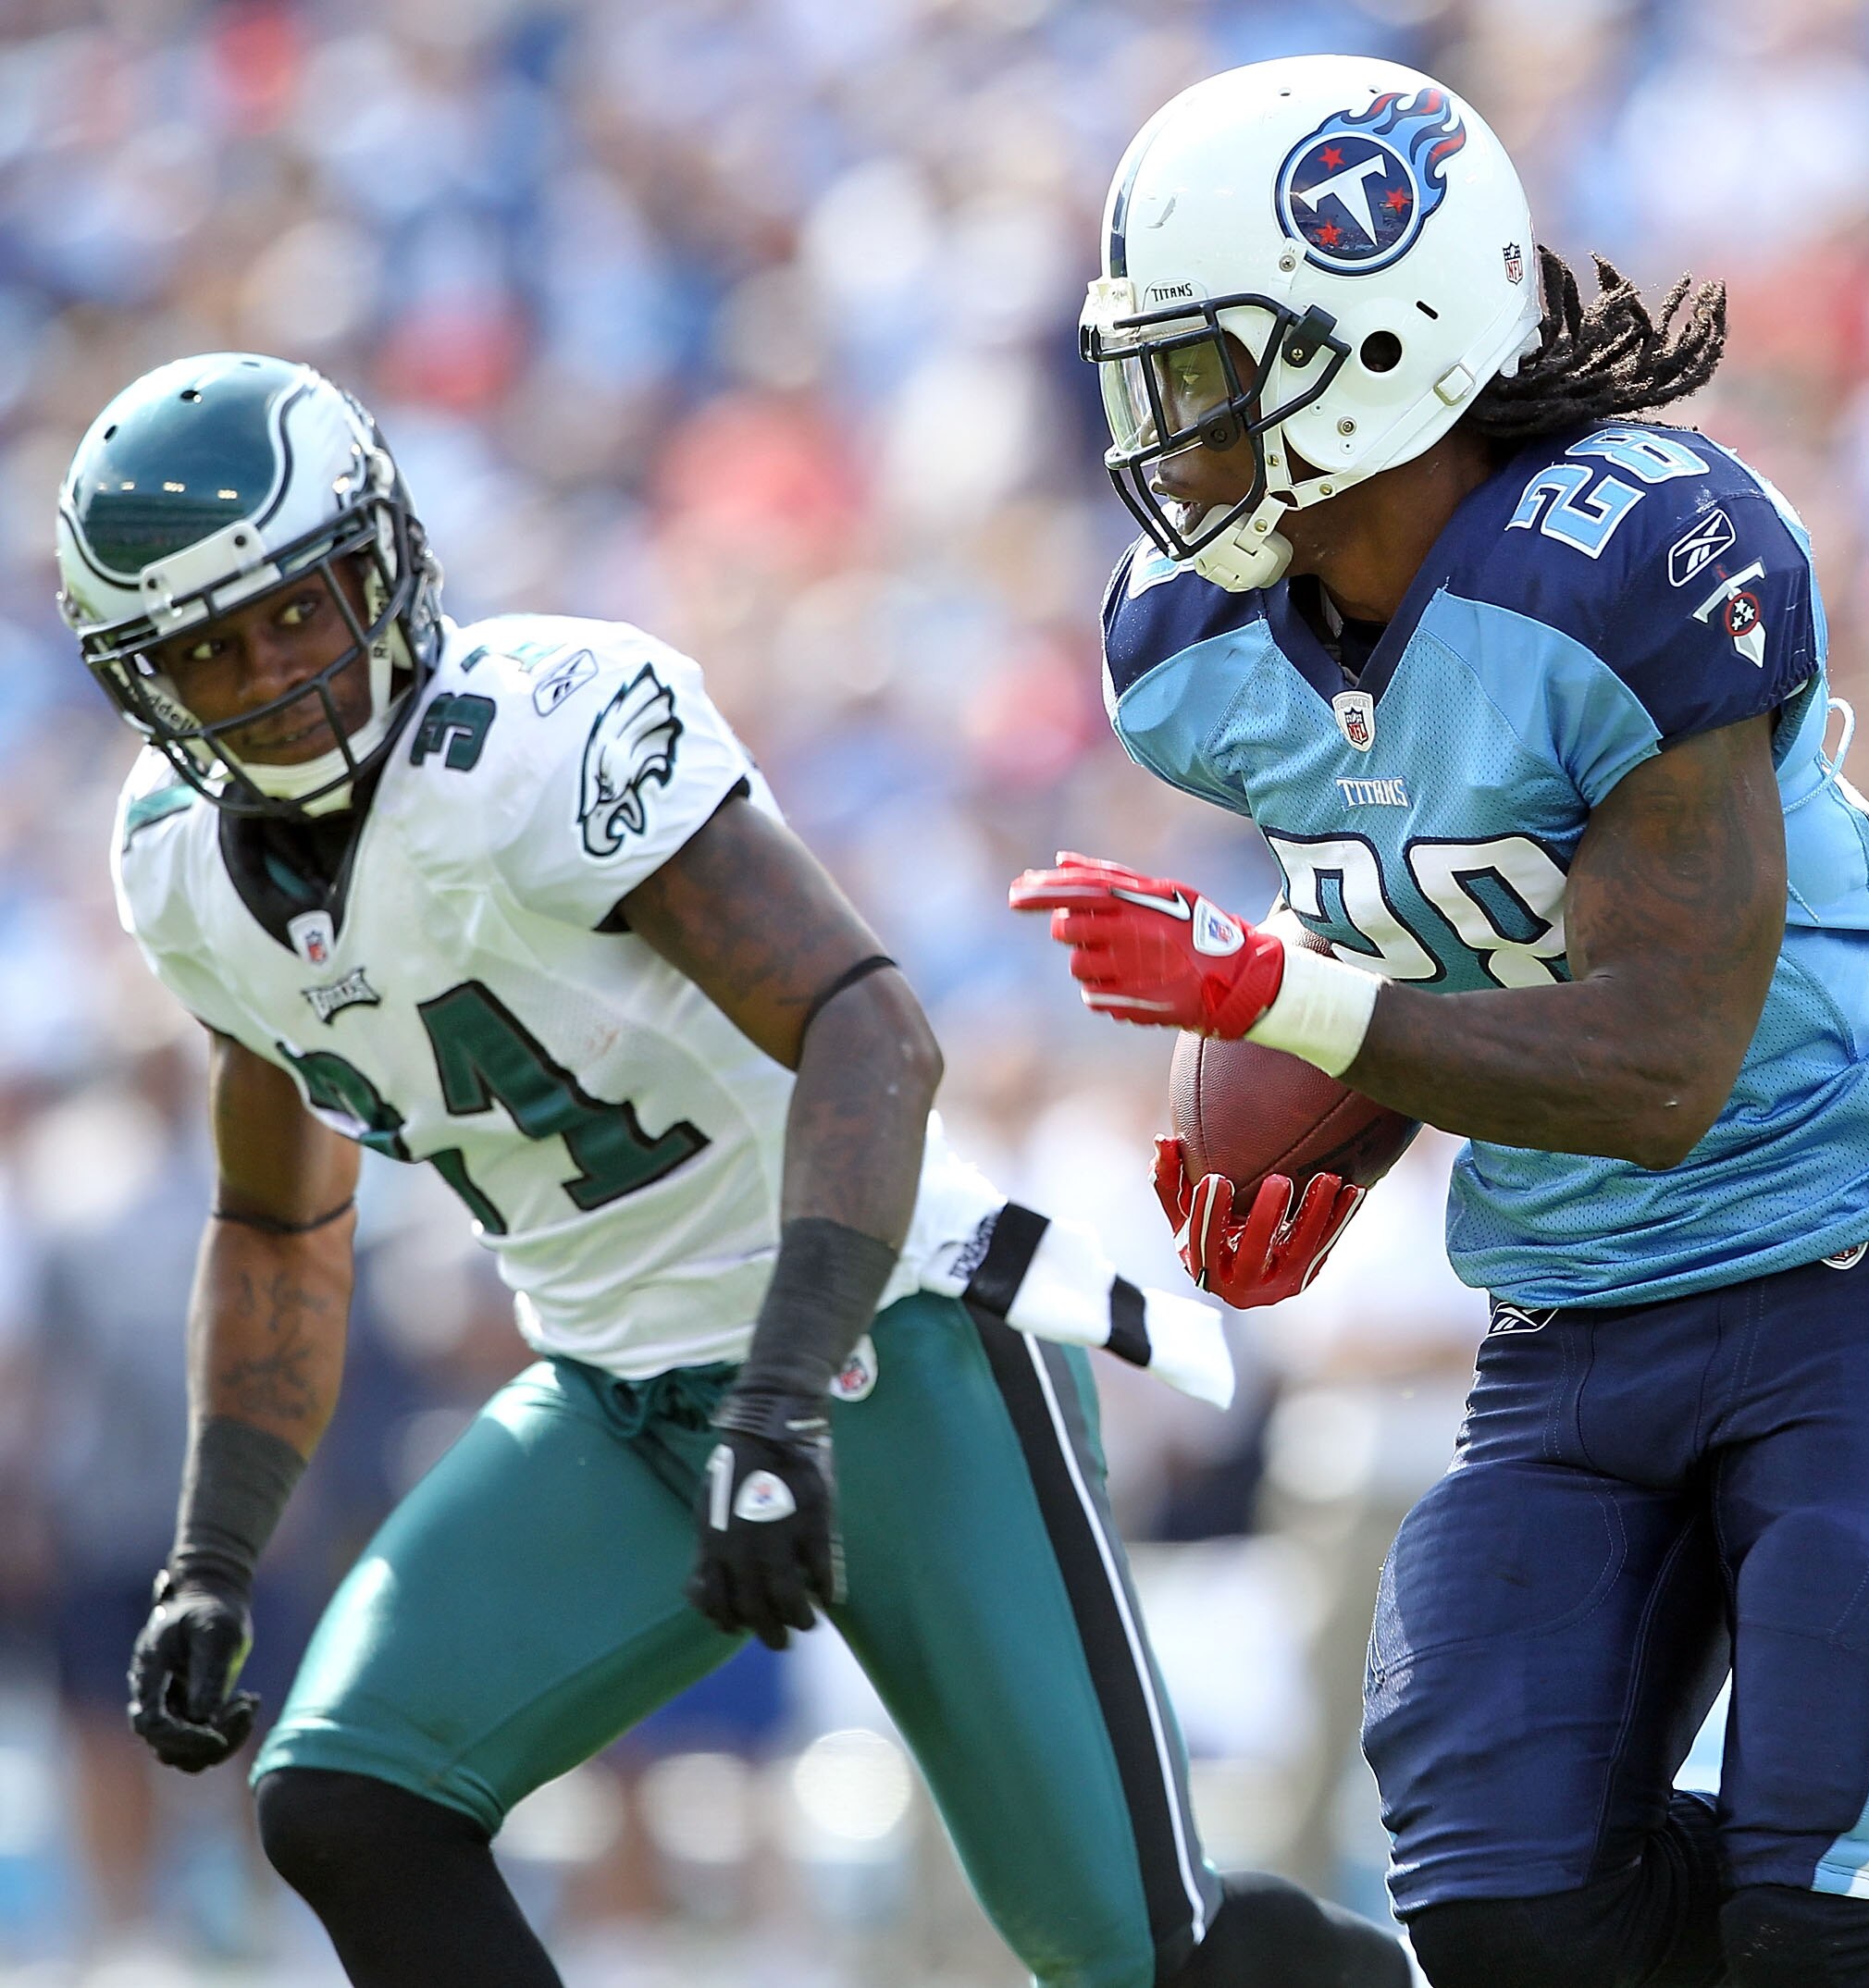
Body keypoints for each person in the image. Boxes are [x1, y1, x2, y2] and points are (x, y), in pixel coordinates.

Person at [59, 349, 1408, 1988]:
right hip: (617, 1386)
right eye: (210, 648)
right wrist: (211, 1553)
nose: (280, 673)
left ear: (388, 564)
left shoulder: (539, 737)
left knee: (1133, 1953)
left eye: (303, 605)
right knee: (351, 1797)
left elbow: (868, 1026)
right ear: (146, 685)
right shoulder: (179, 869)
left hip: (886, 1336)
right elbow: (277, 1219)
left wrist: (776, 1398)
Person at [1013, 55, 1869, 1988]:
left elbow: (1655, 1062)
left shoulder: (1643, 558)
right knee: (1507, 1918)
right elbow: (1425, 904)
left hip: (1848, 1250)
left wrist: (1274, 993)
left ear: (1371, 343)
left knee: (1816, 1934)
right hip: (1568, 1295)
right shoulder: (1201, 648)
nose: (1165, 429)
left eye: (1209, 369)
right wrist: (1333, 1129)